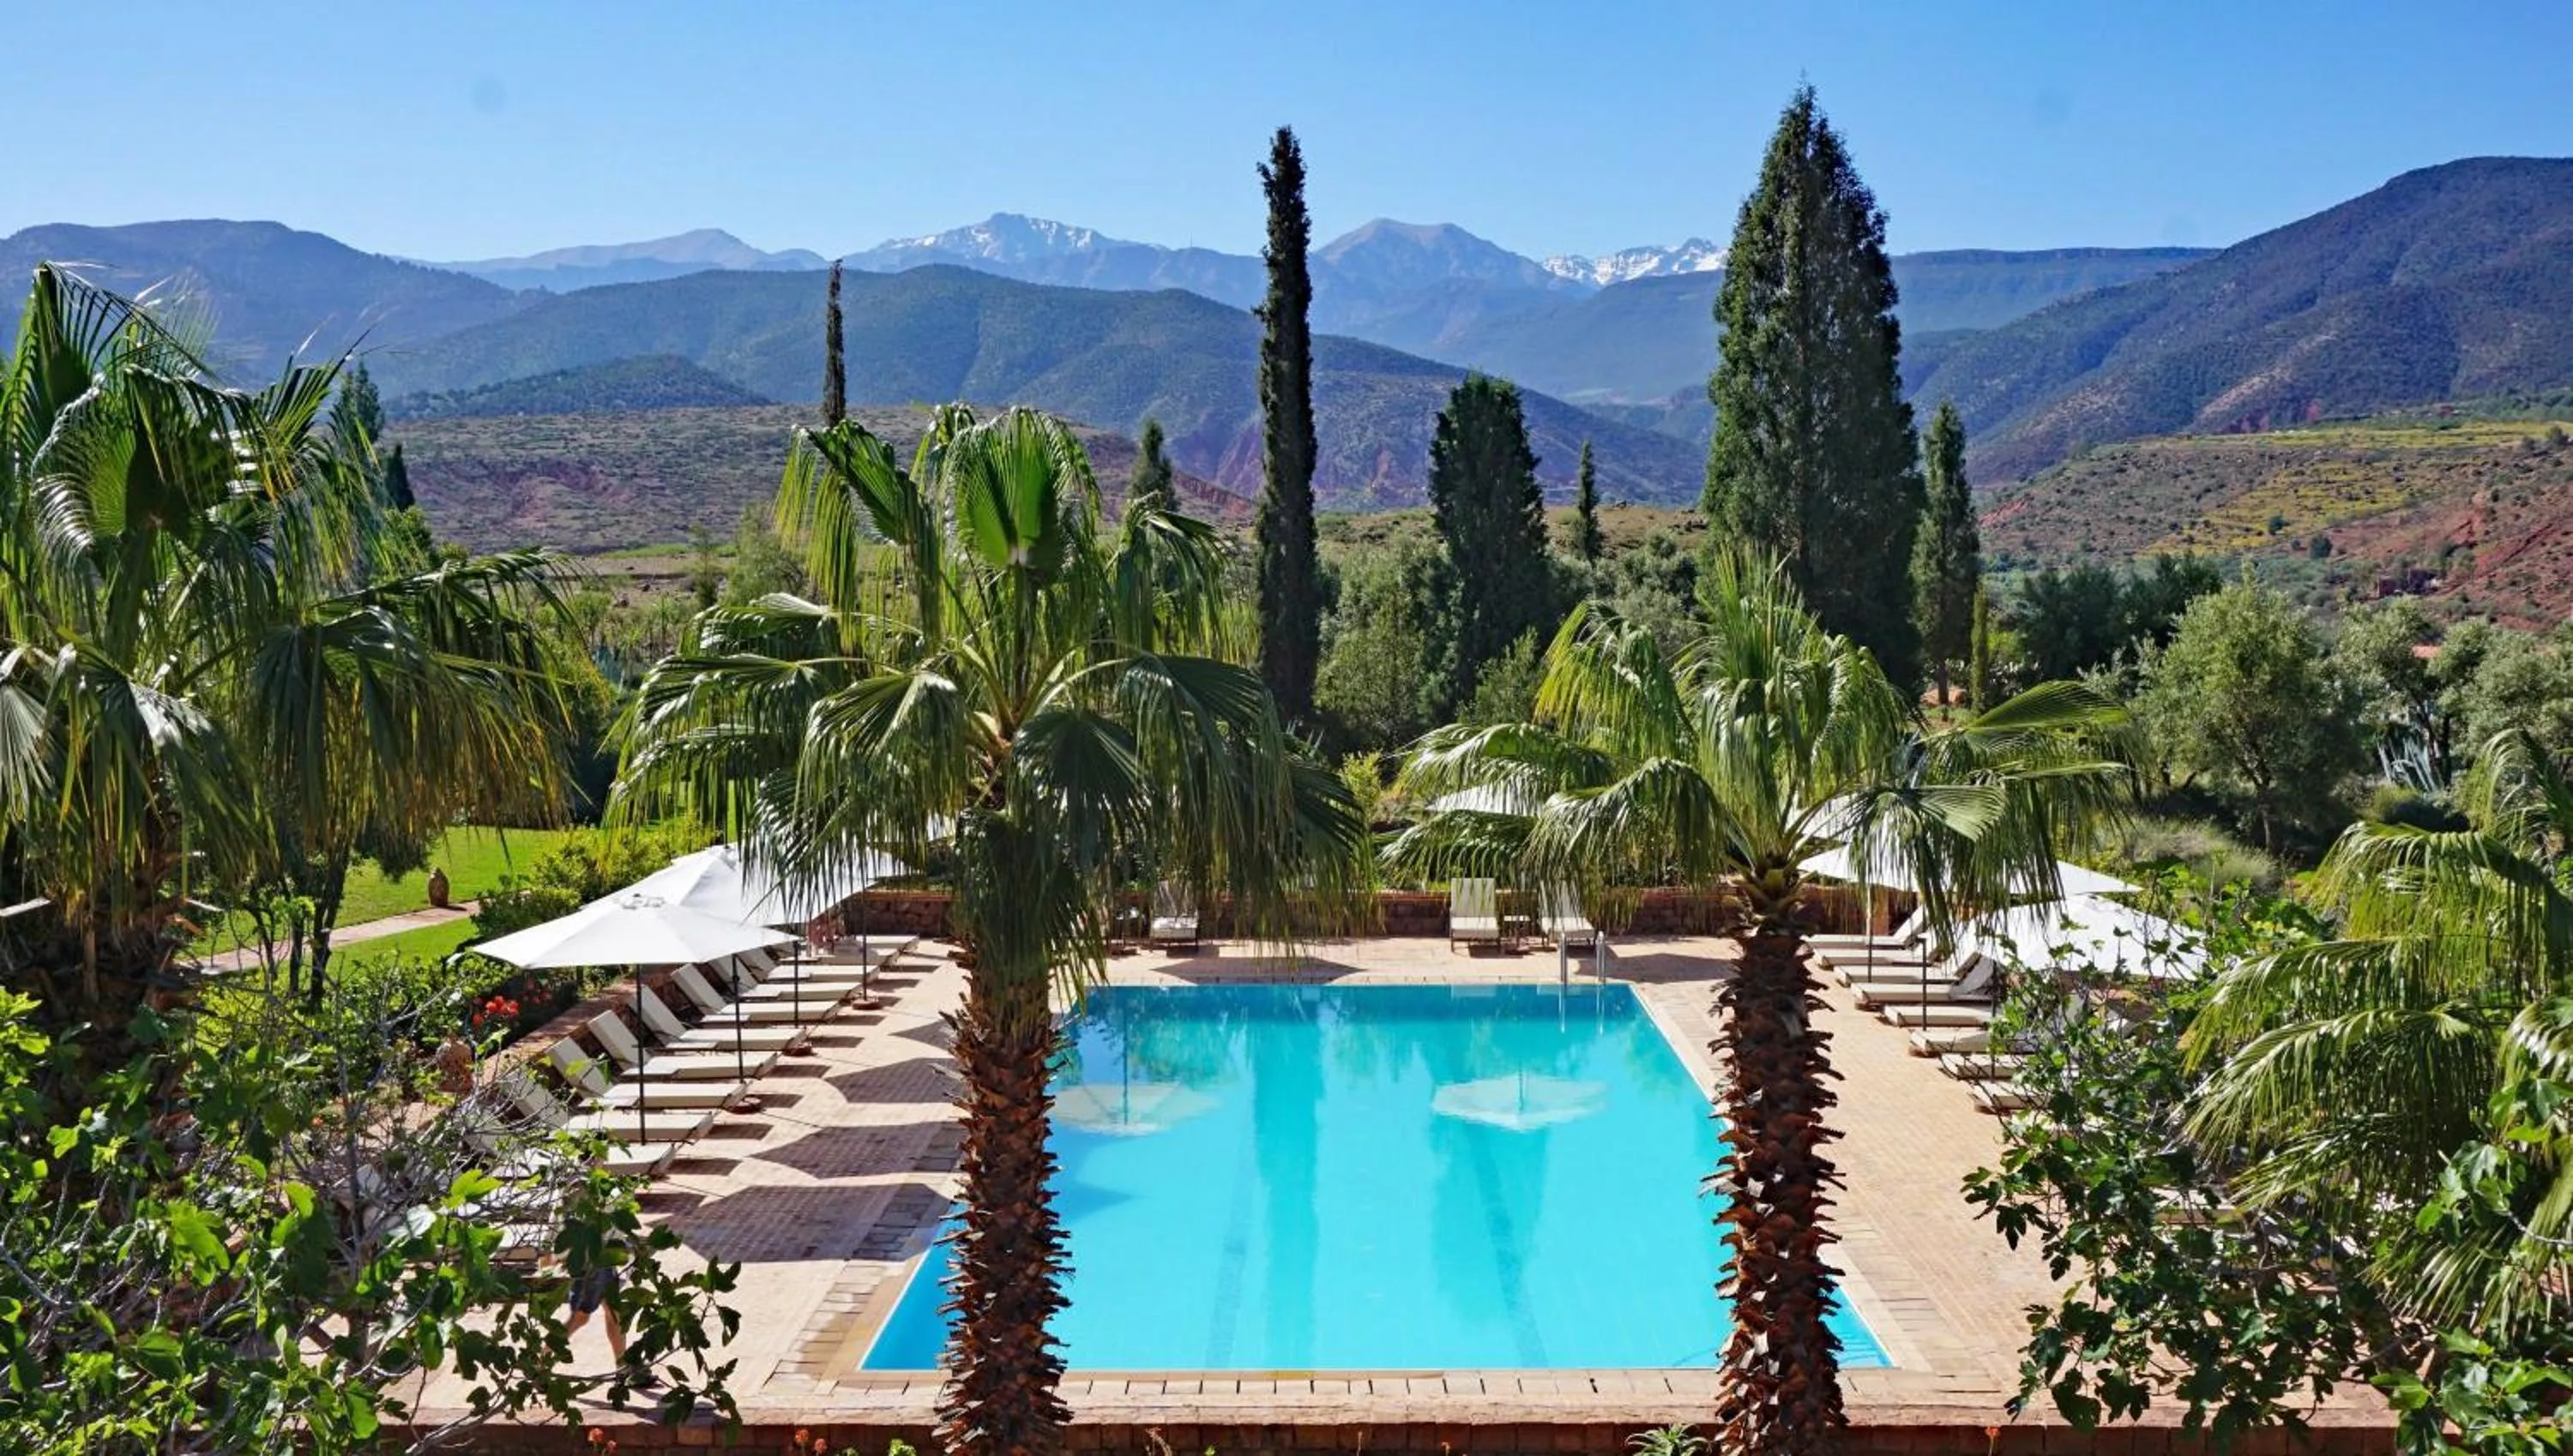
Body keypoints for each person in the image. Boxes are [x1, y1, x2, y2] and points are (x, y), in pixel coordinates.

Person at [564, 1262, 659, 1389]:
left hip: (604, 1258)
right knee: (580, 1317)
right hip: (591, 1260)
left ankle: (622, 1369)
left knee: (613, 1310)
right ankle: (538, 1366)